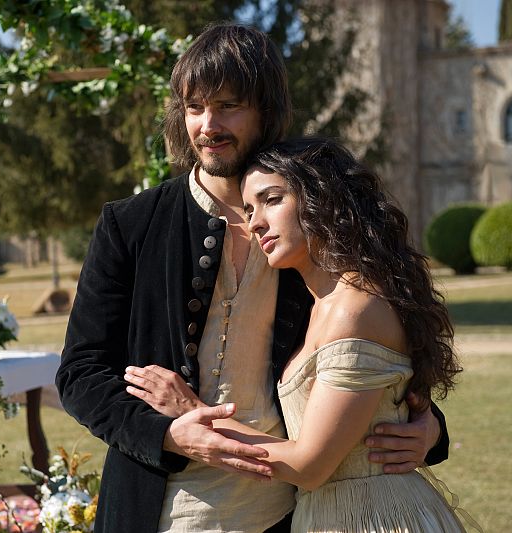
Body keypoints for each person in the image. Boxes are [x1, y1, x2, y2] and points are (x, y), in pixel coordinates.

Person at [56, 24, 449, 533]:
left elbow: (369, 352)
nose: (208, 125)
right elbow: (81, 373)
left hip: (285, 512)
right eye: (194, 107)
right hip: (153, 510)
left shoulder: (305, 230)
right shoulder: (130, 225)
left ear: (267, 110)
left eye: (228, 106)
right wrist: (168, 434)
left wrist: (428, 427)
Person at [125, 138, 468, 531]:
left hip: (372, 517)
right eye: (249, 209)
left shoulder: (353, 309)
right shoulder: (320, 305)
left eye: (271, 200)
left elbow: (309, 466)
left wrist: (192, 412)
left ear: (323, 198)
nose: (254, 222)